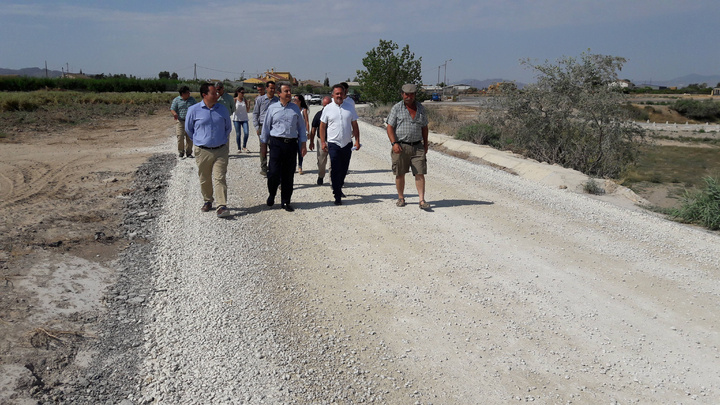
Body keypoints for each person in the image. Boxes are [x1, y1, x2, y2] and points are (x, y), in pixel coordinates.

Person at [185, 83, 233, 218]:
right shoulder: (193, 110)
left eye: (217, 93)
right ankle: (208, 200)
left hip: (221, 150)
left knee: (220, 177)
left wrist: (221, 140)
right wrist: (199, 141)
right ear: (204, 95)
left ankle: (221, 206)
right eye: (213, 93)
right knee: (204, 178)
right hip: (203, 150)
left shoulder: (222, 109)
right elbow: (189, 129)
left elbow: (228, 128)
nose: (217, 95)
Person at [260, 82, 307, 212]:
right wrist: (263, 145)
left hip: (291, 144)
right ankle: (272, 194)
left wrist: (303, 144)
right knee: (273, 173)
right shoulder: (272, 108)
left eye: (289, 91)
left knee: (288, 175)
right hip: (276, 143)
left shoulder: (295, 108)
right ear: (279, 94)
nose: (289, 93)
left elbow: (301, 128)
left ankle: (286, 201)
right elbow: (266, 128)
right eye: (286, 91)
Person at [386, 83, 430, 210]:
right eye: (406, 94)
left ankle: (421, 200)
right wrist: (394, 143)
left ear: (415, 95)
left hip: (417, 146)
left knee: (420, 173)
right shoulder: (397, 108)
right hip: (400, 146)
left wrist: (425, 144)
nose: (408, 97)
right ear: (402, 94)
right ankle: (401, 198)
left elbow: (424, 127)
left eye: (411, 94)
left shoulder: (421, 108)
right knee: (400, 173)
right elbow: (390, 127)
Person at [320, 84, 360, 205]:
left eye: (341, 93)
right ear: (332, 95)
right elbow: (322, 126)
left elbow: (355, 125)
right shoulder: (328, 108)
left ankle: (339, 186)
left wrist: (358, 140)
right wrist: (323, 141)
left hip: (347, 143)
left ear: (344, 95)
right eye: (336, 93)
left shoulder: (350, 108)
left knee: (344, 169)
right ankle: (337, 194)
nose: (339, 96)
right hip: (333, 143)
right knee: (335, 168)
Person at [253, 81, 278, 177]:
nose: (272, 90)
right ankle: (264, 168)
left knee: (273, 147)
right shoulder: (260, 100)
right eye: (271, 88)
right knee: (263, 146)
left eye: (274, 88)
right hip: (262, 125)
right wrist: (256, 127)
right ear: (266, 88)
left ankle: (272, 167)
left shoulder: (277, 100)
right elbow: (255, 113)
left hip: (273, 126)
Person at [308, 95, 331, 185]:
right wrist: (311, 142)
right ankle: (321, 176)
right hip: (321, 140)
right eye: (325, 105)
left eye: (328, 105)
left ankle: (334, 180)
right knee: (321, 161)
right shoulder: (319, 115)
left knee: (334, 162)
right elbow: (313, 129)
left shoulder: (335, 113)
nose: (326, 107)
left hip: (333, 141)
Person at [170, 86, 197, 158]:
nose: (189, 94)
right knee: (180, 136)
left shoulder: (192, 100)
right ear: (182, 93)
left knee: (189, 138)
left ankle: (189, 153)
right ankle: (181, 152)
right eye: (187, 92)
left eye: (189, 92)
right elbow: (172, 109)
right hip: (180, 121)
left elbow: (197, 108)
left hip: (190, 122)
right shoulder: (176, 100)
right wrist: (174, 114)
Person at [292, 94, 310, 174]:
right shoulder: (292, 109)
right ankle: (292, 166)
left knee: (300, 151)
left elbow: (306, 121)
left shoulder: (303, 110)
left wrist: (307, 132)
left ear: (300, 101)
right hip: (293, 133)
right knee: (292, 151)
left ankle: (300, 166)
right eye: (293, 99)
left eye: (295, 100)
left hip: (301, 133)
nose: (294, 101)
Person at [232, 87, 250, 153]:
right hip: (236, 119)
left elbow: (247, 110)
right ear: (238, 92)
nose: (243, 94)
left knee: (246, 133)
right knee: (238, 134)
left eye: (243, 92)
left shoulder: (244, 100)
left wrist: (248, 104)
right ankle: (239, 148)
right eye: (242, 92)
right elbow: (232, 109)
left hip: (244, 119)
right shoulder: (234, 100)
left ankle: (244, 146)